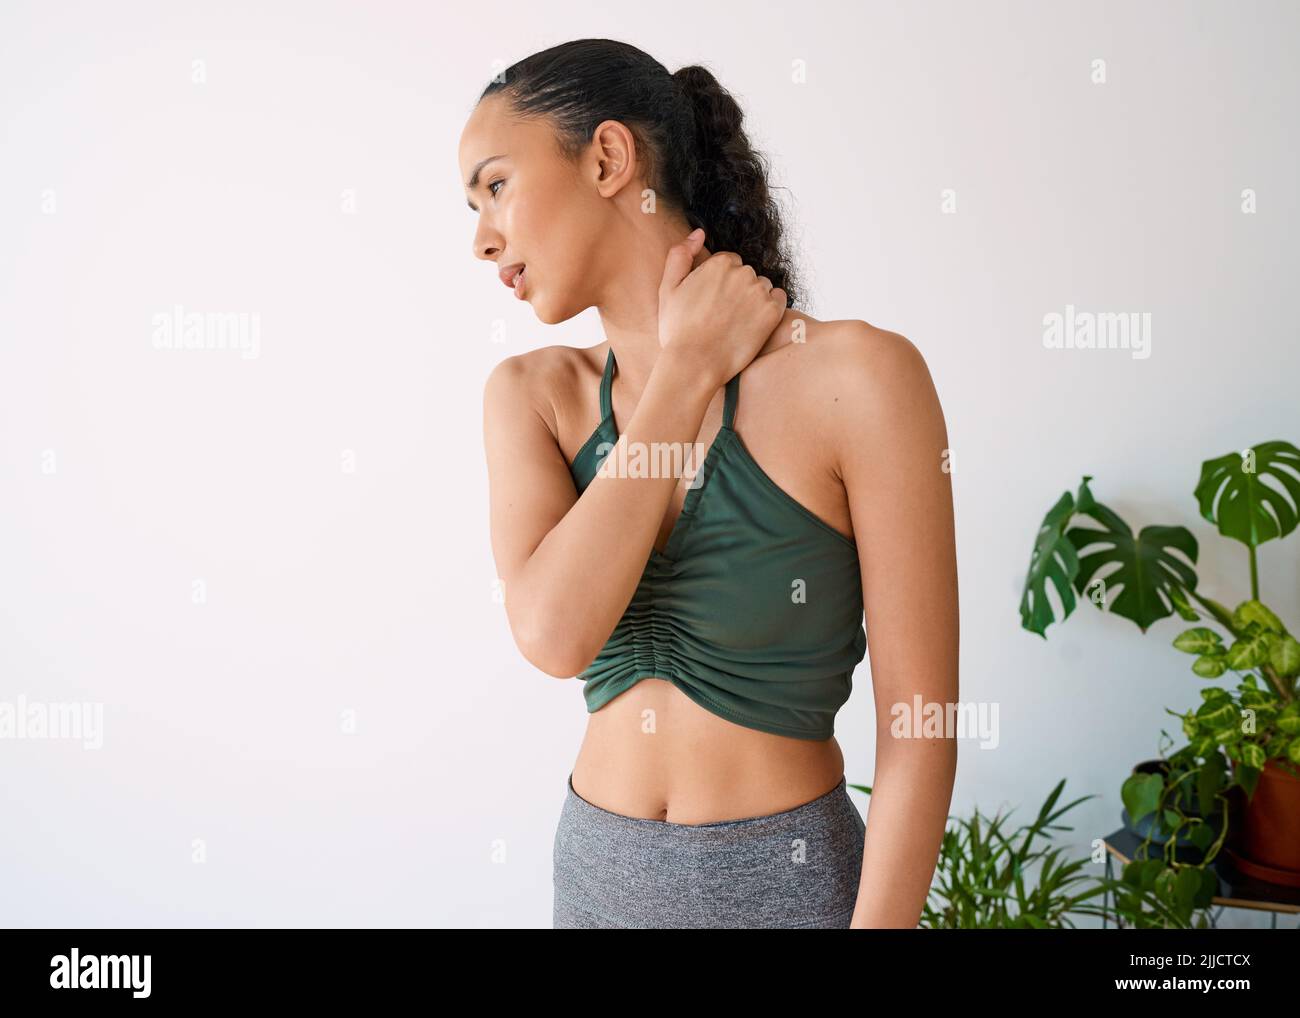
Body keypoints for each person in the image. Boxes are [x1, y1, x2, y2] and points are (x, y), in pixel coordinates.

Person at [462, 38, 959, 928]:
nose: (482, 238)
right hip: (597, 882)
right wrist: (684, 372)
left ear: (609, 159)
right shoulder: (531, 398)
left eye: (496, 185)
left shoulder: (860, 379)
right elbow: (554, 635)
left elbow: (919, 732)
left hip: (791, 884)